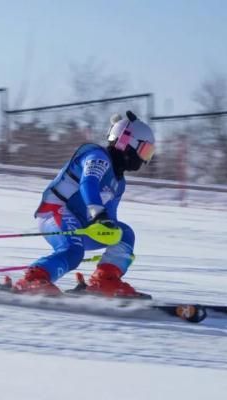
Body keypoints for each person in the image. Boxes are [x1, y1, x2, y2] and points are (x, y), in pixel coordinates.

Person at [13, 110, 156, 297]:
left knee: (124, 234)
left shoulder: (119, 183)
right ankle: (34, 278)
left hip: (81, 222)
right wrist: (98, 214)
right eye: (145, 150)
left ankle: (105, 281)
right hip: (55, 211)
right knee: (73, 252)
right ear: (125, 142)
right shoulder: (97, 157)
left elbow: (109, 218)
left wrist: (116, 253)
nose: (145, 159)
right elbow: (88, 183)